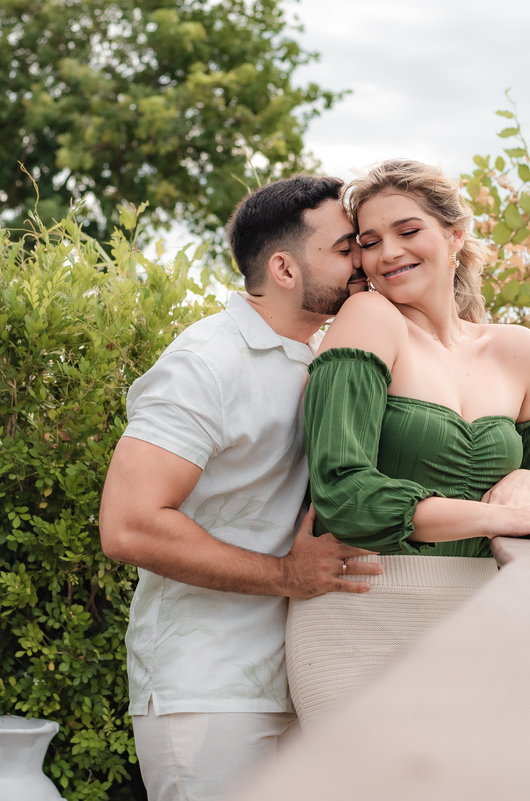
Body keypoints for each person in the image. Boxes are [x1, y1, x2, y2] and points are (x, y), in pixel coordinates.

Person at [98, 174, 382, 800]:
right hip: (209, 689)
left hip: (307, 677)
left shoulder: (328, 357)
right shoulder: (205, 363)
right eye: (344, 248)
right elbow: (128, 523)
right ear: (284, 266)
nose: (363, 262)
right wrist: (286, 576)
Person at [285, 158, 530, 728]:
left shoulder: (518, 350)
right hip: (364, 616)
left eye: (408, 231)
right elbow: (343, 493)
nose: (388, 253)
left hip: (486, 623)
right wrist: (492, 517)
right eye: (370, 242)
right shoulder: (369, 316)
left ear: (454, 236)